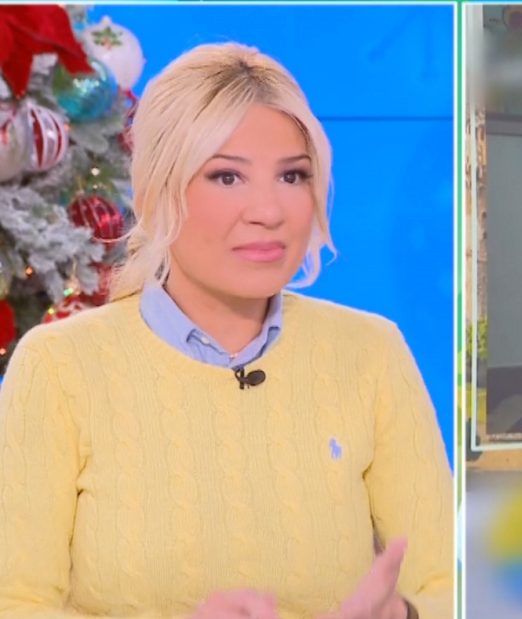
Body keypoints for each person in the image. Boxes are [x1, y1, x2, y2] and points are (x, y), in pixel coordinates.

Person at [0, 43, 452, 619]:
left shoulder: (371, 353)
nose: (268, 210)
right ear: (156, 193)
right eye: (227, 176)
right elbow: (16, 603)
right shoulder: (59, 367)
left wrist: (401, 615)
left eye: (292, 175)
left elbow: (443, 586)